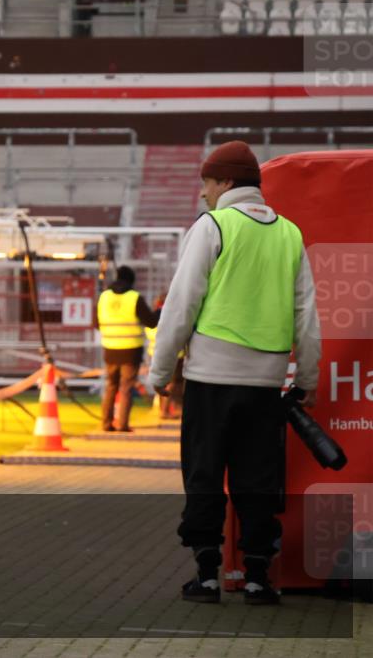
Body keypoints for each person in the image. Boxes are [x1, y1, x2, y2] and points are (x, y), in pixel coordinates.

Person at [150, 140, 320, 605]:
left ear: (225, 182)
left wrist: (160, 371)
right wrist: (306, 379)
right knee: (258, 478)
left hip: (210, 377)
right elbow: (306, 315)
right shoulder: (289, 233)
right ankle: (258, 576)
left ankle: (207, 574)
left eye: (206, 182)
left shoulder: (212, 226)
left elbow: (181, 306)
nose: (202, 193)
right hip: (267, 381)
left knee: (204, 474)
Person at [94, 265, 160, 432]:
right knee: (126, 388)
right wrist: (159, 312)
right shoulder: (134, 298)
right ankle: (122, 424)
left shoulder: (104, 297)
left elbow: (96, 324)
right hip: (131, 351)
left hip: (109, 349)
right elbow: (151, 322)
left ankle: (106, 423)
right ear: (131, 280)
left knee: (111, 386)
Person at [146, 292, 183, 420]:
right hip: (175, 354)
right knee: (172, 383)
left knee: (163, 382)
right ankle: (166, 410)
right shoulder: (171, 314)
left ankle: (166, 409)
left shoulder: (154, 315)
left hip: (155, 353)